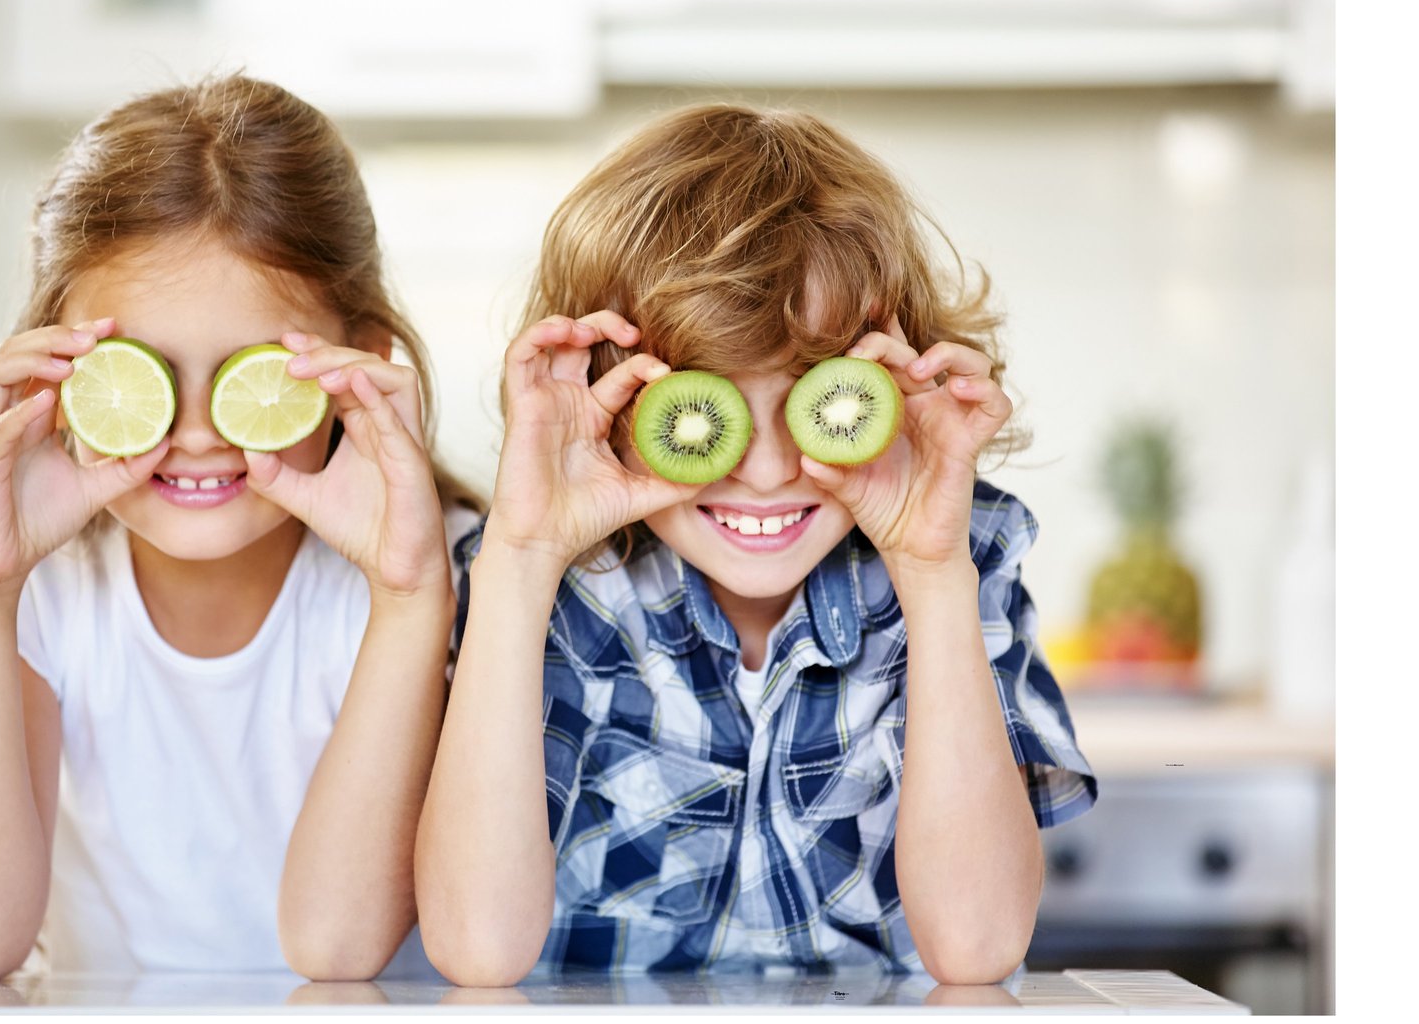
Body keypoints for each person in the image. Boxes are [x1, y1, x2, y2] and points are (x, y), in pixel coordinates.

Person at [416, 104, 1097, 985]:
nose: (771, 469)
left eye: (820, 396)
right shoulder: (561, 585)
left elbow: (976, 948)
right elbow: (476, 951)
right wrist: (520, 556)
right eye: (705, 408)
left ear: (890, 382)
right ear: (608, 398)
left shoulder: (963, 552)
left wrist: (933, 576)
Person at [0, 74, 473, 981]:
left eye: (255, 377)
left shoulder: (441, 576)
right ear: (59, 368)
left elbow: (337, 949)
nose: (198, 433)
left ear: (363, 362)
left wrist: (409, 599)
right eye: (141, 374)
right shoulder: (30, 586)